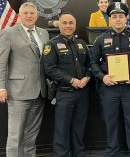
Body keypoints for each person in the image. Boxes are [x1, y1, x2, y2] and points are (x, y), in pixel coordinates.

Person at [0, 2, 49, 157]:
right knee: (15, 136)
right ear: (19, 15)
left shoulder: (44, 33)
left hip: (39, 92)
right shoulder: (8, 33)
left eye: (32, 13)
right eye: (26, 13)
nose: (29, 16)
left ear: (37, 15)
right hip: (17, 93)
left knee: (31, 136)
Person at [92, 3, 130, 157]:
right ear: (110, 18)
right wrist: (103, 77)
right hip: (109, 87)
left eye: (121, 16)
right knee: (111, 121)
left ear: (126, 18)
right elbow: (93, 63)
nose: (118, 19)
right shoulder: (100, 39)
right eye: (114, 16)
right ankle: (112, 151)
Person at [43, 12, 91, 157]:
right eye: (65, 23)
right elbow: (50, 69)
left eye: (71, 23)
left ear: (75, 25)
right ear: (59, 24)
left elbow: (89, 64)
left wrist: (87, 77)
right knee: (62, 129)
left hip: (82, 93)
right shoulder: (51, 45)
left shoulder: (81, 44)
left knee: (79, 127)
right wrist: (71, 80)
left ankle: (79, 153)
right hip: (64, 93)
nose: (68, 26)